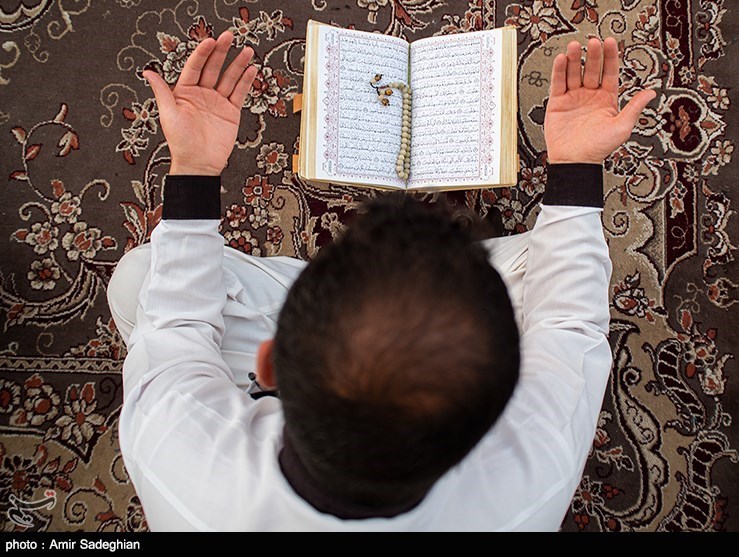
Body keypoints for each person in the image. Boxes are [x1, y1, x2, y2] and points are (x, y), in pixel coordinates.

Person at [108, 30, 655, 531]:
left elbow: (175, 323)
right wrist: (577, 161)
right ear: (503, 402)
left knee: (140, 279)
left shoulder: (172, 437)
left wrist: (195, 165)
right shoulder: (538, 462)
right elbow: (569, 322)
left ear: (270, 365)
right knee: (553, 261)